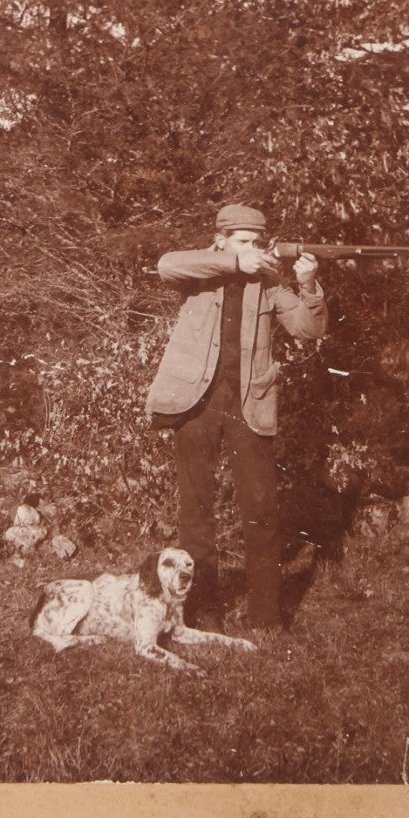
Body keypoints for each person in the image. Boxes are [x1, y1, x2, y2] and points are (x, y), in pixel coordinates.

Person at [145, 203, 328, 630]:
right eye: (243, 242)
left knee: (261, 508)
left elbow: (308, 329)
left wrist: (308, 285)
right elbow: (166, 265)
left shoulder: (268, 281)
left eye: (256, 243)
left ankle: (266, 616)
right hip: (196, 402)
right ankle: (202, 611)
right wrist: (234, 262)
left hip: (250, 404)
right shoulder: (202, 268)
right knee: (196, 509)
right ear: (221, 240)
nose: (253, 249)